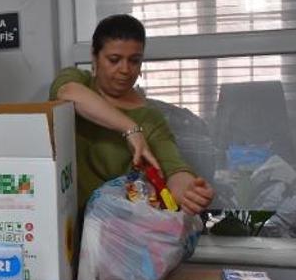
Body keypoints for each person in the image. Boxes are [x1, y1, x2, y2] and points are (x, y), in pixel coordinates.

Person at [49, 14, 214, 215]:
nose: (125, 70)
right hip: (64, 222)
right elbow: (67, 93)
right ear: (94, 57)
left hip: (117, 232)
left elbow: (174, 167)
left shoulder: (150, 118)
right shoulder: (78, 82)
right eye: (114, 60)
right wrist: (130, 129)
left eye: (134, 61)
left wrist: (189, 191)